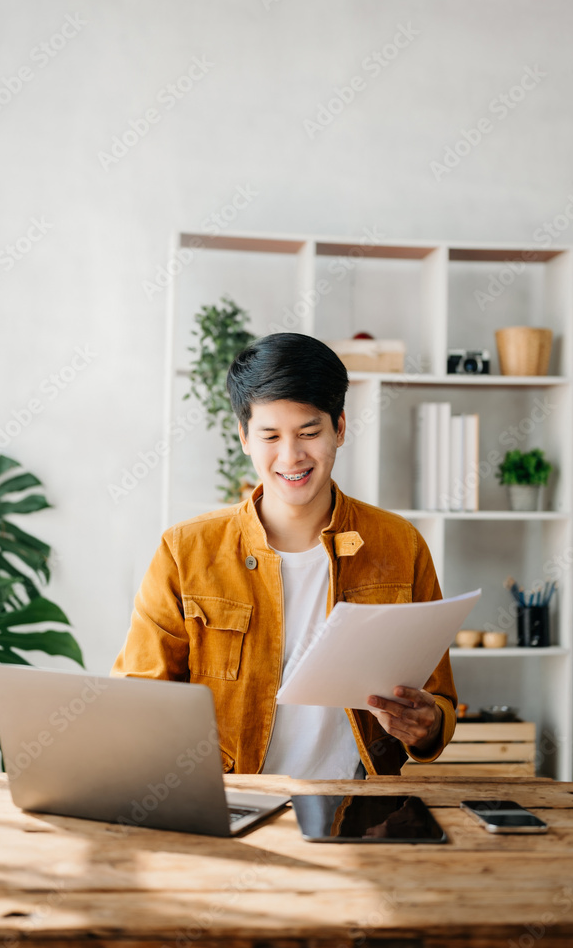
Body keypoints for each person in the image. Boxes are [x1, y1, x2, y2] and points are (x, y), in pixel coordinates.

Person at [111, 332, 457, 778]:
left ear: (341, 428)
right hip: (231, 803)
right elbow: (138, 697)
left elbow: (439, 703)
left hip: (362, 808)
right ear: (244, 437)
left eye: (309, 432)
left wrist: (426, 726)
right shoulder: (186, 551)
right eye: (270, 436)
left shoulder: (400, 544)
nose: (291, 457)